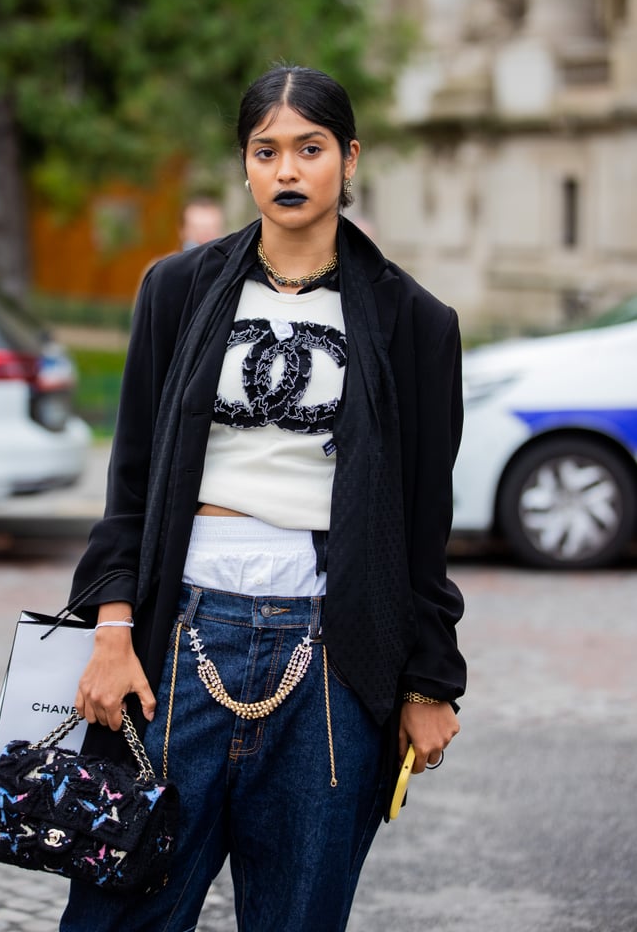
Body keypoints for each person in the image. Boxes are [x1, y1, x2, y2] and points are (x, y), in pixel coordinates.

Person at [60, 65, 466, 932]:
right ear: (244, 166)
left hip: (332, 653)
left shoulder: (414, 321)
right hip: (176, 644)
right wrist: (112, 630)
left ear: (348, 160)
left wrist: (431, 679)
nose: (288, 171)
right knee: (118, 915)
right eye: (266, 150)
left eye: (310, 149)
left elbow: (426, 518)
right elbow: (130, 479)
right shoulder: (178, 290)